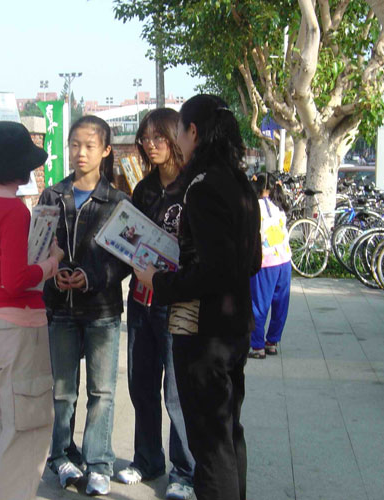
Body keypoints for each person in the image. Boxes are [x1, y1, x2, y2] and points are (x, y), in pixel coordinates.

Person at [135, 95, 261, 500]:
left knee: (209, 445)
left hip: (205, 333)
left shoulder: (202, 187)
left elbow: (213, 271)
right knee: (228, 433)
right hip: (236, 327)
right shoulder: (240, 181)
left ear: (192, 132)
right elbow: (252, 260)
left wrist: (160, 281)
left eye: (178, 132)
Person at [0, 121, 64, 500]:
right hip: (17, 326)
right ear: (17, 166)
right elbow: (16, 280)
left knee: (6, 419)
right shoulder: (14, 211)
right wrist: (51, 263)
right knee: (27, 428)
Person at [40, 116, 131, 496]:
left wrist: (91, 277)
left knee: (102, 391)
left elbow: (126, 258)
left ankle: (98, 463)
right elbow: (38, 246)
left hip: (102, 311)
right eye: (75, 144)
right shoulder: (52, 196)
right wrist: (54, 273)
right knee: (63, 391)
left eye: (90, 146)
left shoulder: (118, 202)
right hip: (60, 308)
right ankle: (61, 456)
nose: (81, 153)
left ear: (106, 150)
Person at [116, 108, 195, 500]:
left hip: (176, 303)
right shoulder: (144, 189)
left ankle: (185, 472)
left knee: (177, 393)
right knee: (141, 383)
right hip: (140, 300)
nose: (150, 145)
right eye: (145, 138)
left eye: (158, 137)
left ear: (175, 136)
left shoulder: (192, 187)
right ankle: (148, 459)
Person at [248, 173, 292, 359]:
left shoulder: (253, 207)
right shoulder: (279, 206)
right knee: (280, 304)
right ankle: (272, 342)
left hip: (265, 262)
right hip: (284, 260)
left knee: (259, 305)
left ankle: (257, 346)